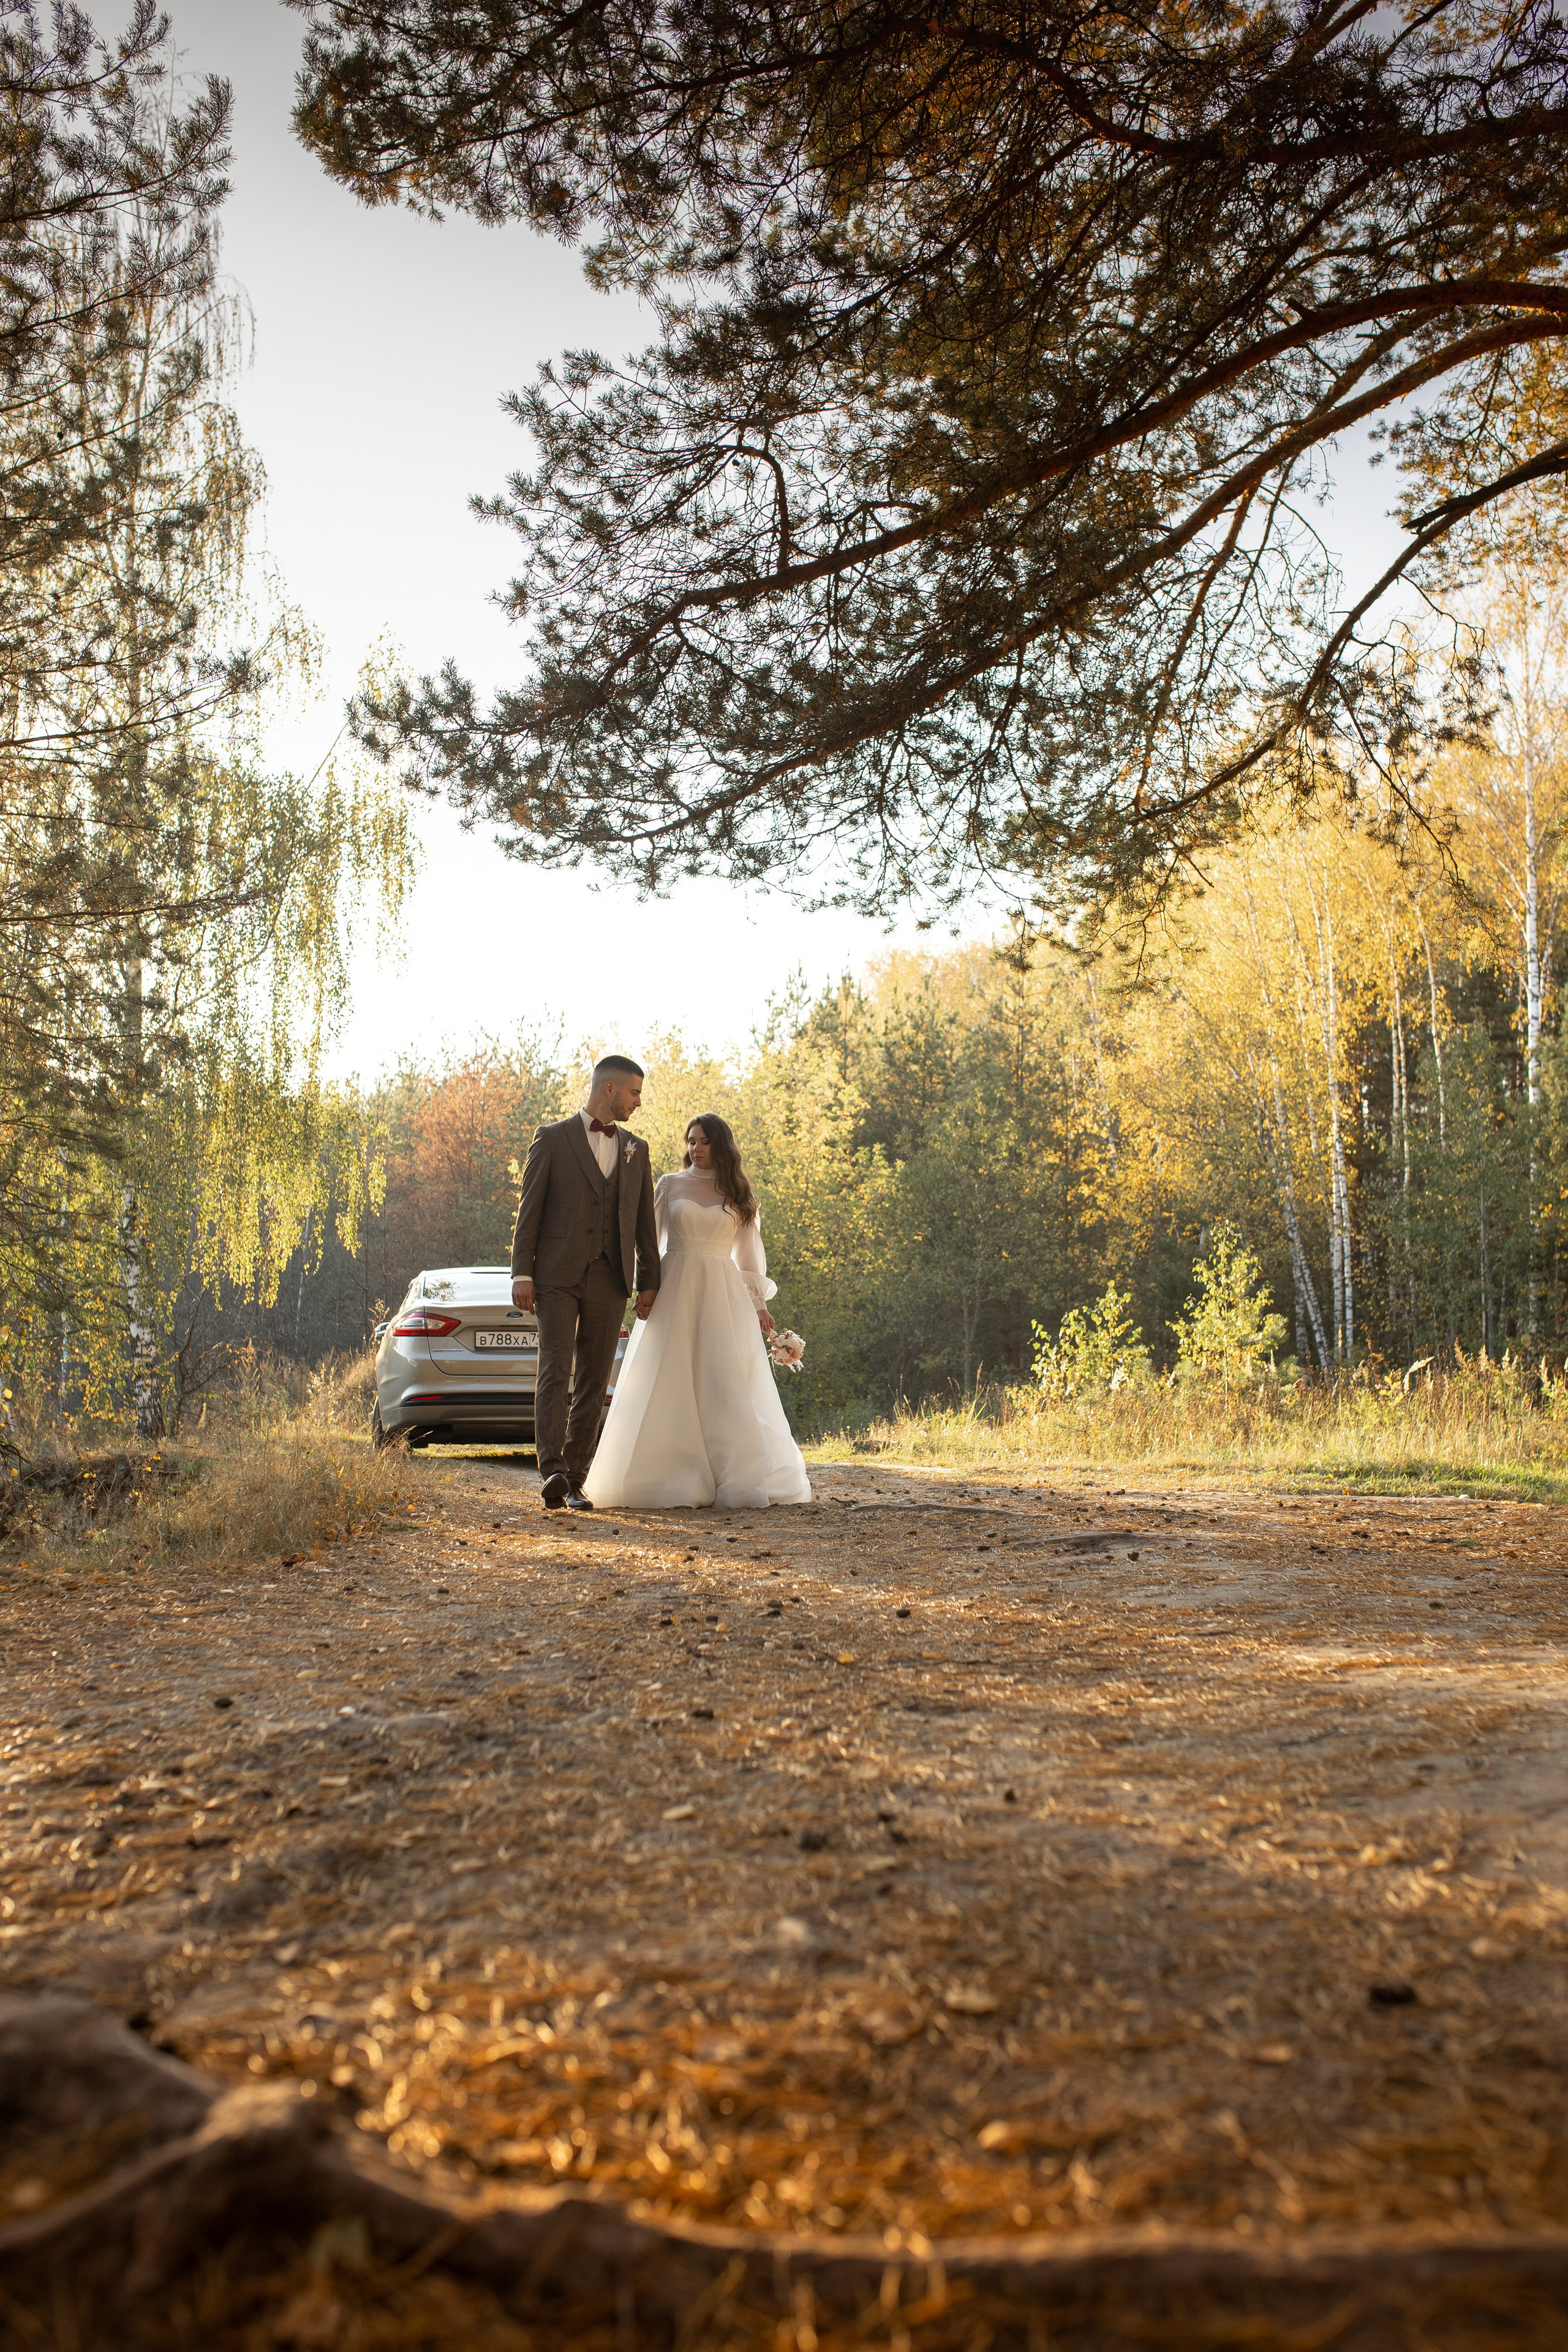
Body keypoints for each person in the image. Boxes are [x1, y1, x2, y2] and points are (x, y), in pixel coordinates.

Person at [583, 1113, 812, 1510]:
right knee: (667, 1378)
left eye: (704, 1141)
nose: (696, 1148)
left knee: (723, 1381)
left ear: (721, 1145)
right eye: (691, 1141)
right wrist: (642, 1291)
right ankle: (667, 1477)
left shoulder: (738, 1193)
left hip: (723, 1296)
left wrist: (759, 1306)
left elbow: (747, 1258)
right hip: (675, 1289)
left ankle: (732, 1476)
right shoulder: (669, 1185)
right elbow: (647, 1244)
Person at [510, 1055, 661, 1512]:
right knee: (555, 1369)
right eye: (634, 1092)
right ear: (610, 1089)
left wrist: (649, 1280)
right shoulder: (552, 1139)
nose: (639, 1102)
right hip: (556, 1275)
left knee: (595, 1380)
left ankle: (574, 1480)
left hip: (611, 1277)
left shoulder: (637, 1149)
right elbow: (529, 1210)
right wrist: (522, 1272)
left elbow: (643, 1224)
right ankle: (551, 1468)